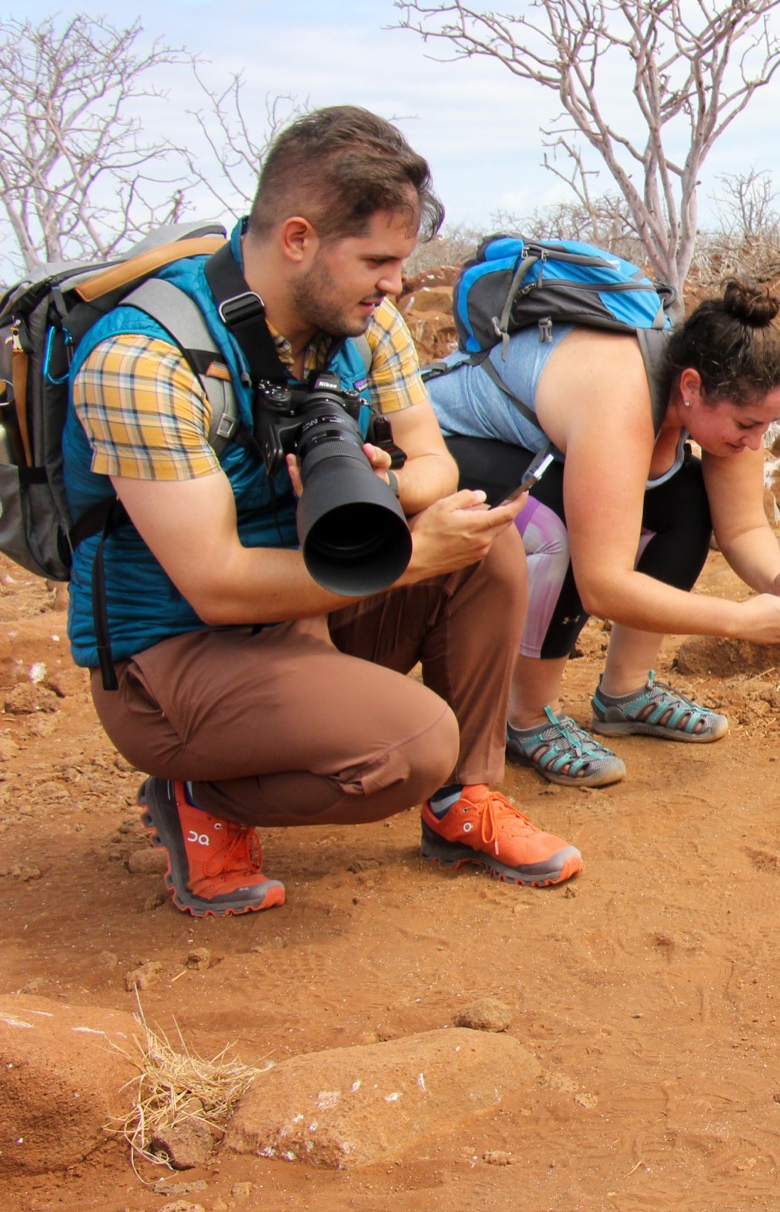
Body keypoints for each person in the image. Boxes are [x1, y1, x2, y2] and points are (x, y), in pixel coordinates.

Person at [65, 106, 583, 917]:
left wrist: (382, 488)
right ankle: (199, 791)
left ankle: (464, 801)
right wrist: (411, 552)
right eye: (377, 259)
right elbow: (218, 585)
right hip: (173, 657)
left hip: (300, 613)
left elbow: (434, 464)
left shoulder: (360, 326)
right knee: (410, 740)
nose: (395, 284)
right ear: (299, 238)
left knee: (488, 545)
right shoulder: (144, 360)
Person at [424, 279, 780, 788]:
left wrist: (775, 578)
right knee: (563, 526)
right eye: (747, 424)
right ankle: (524, 716)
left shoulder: (721, 404)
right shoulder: (621, 396)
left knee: (685, 502)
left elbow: (742, 524)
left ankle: (625, 693)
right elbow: (603, 585)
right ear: (689, 387)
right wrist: (739, 621)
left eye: (766, 426)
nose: (755, 442)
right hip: (440, 449)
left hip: (535, 453)